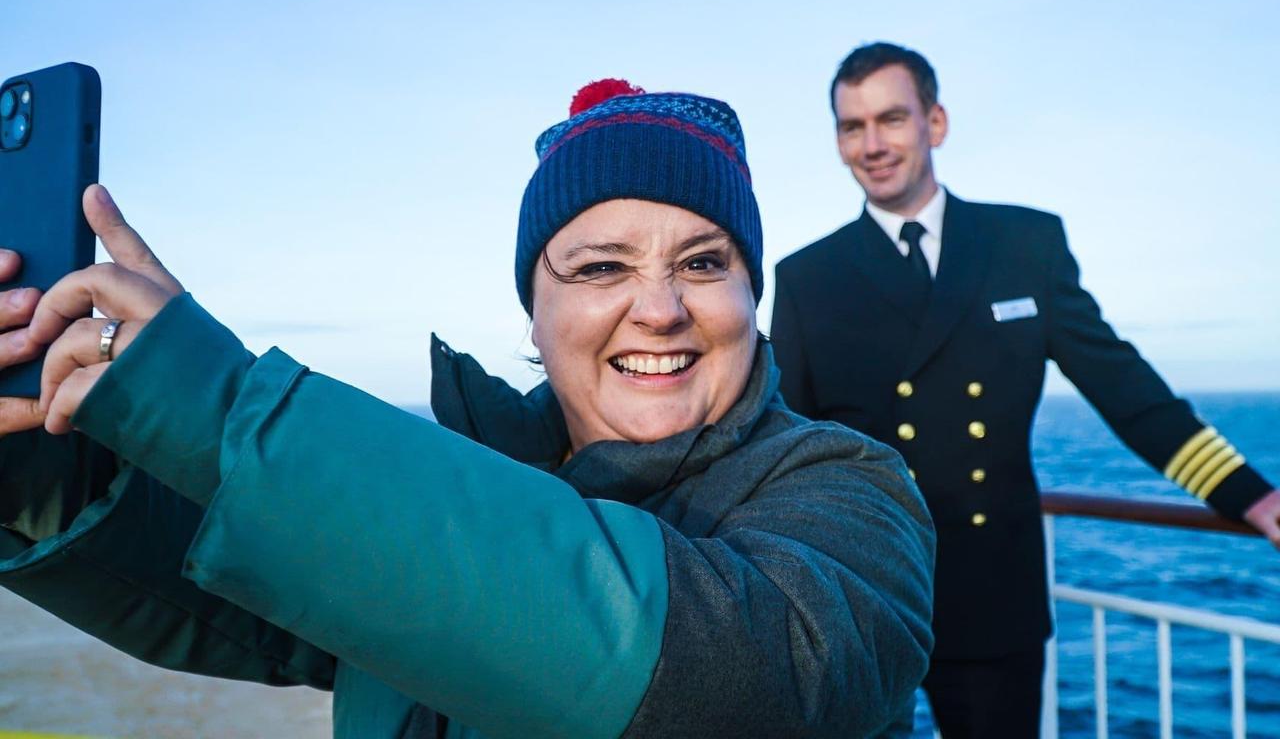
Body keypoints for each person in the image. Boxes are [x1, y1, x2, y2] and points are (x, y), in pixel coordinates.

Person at [0, 79, 934, 738]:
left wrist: (219, 407)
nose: (659, 307)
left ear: (750, 296)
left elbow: (738, 678)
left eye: (702, 263)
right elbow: (229, 580)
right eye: (601, 267)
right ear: (535, 308)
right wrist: (36, 462)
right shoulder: (469, 473)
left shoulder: (853, 491)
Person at [769, 42, 1280, 737]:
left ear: (936, 122)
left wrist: (1249, 494)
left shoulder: (1023, 243)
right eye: (852, 127)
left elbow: (1122, 384)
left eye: (891, 118)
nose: (872, 144)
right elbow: (786, 443)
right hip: (865, 591)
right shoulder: (809, 277)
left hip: (991, 587)